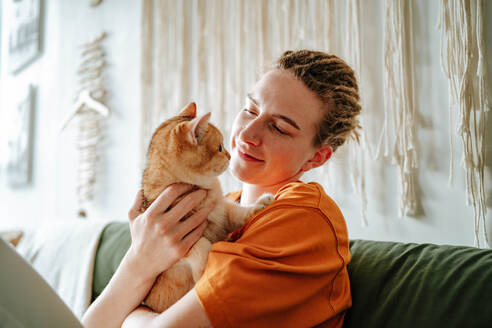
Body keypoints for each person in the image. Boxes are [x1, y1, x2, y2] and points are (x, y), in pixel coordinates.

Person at [82, 49, 362, 328]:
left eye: (278, 127)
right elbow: (90, 324)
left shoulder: (303, 218)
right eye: (250, 109)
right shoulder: (216, 207)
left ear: (317, 157)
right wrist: (139, 260)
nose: (247, 134)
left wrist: (130, 314)